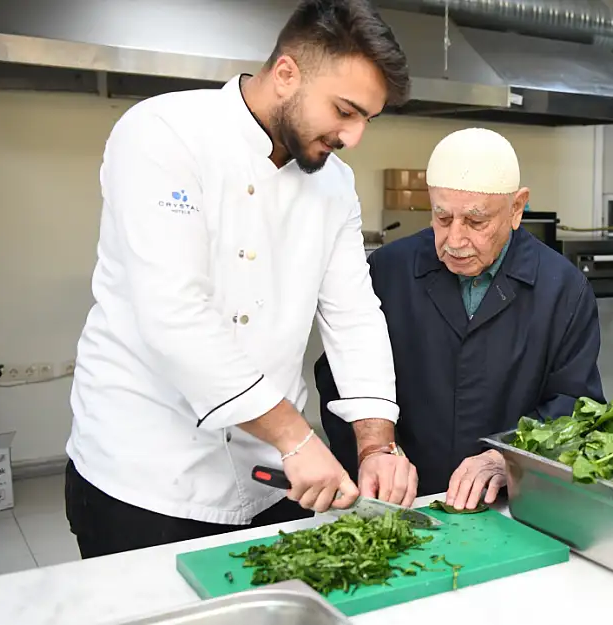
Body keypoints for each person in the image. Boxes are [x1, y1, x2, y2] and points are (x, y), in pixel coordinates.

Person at [65, 0, 418, 558]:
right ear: (286, 74)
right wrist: (297, 437)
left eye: (365, 120)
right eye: (345, 111)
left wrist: (376, 444)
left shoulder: (335, 185)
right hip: (146, 478)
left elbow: (353, 315)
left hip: (271, 477)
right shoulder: (163, 134)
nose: (353, 137)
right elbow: (175, 314)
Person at [315, 127, 605, 510]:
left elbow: (576, 404)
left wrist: (508, 457)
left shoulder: (563, 288)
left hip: (509, 506)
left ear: (517, 208)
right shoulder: (388, 270)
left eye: (476, 221)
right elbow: (339, 377)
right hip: (398, 505)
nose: (454, 239)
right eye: (442, 216)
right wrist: (375, 453)